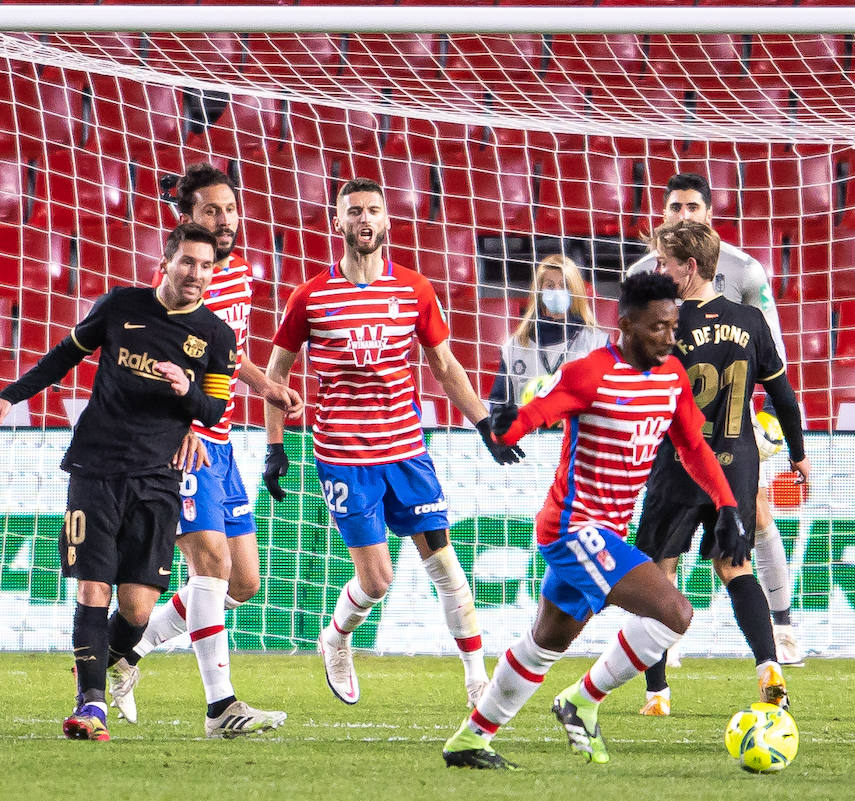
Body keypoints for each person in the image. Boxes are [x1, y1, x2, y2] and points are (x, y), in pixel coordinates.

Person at [441, 272, 749, 770]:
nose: (670, 338)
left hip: (607, 530)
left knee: (548, 641)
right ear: (625, 324)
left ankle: (469, 740)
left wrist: (728, 505)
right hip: (574, 526)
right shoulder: (590, 373)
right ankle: (582, 702)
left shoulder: (672, 379)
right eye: (658, 329)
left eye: (673, 327)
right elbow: (541, 410)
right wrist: (505, 427)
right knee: (675, 613)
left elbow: (693, 447)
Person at [263, 177, 523, 710]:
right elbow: (276, 373)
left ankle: (477, 678)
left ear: (387, 222)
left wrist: (483, 425)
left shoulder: (414, 289)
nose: (364, 218)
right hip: (344, 458)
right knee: (377, 581)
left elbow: (446, 367)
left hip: (406, 450)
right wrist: (275, 447)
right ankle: (335, 638)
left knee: (446, 568)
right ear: (338, 222)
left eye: (374, 210)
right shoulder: (310, 296)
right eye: (354, 210)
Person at [0, 224, 236, 741]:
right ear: (168, 261)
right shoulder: (120, 305)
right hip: (96, 467)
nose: (196, 274)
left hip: (158, 479)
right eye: (188, 262)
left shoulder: (217, 336)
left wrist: (186, 392)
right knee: (91, 588)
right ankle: (91, 705)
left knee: (136, 608)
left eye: (205, 266)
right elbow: (65, 354)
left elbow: (216, 411)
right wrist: (11, 395)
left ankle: (107, 663)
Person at [106, 164, 302, 737]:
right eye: (211, 211)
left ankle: (128, 651)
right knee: (210, 563)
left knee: (243, 582)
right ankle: (222, 708)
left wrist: (263, 383)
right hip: (182, 441)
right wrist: (191, 419)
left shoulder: (237, 272)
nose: (224, 221)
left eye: (230, 210)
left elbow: (222, 351)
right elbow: (174, 352)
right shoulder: (183, 277)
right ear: (186, 218)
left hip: (221, 444)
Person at [626, 172, 803, 669]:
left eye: (692, 207)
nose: (684, 215)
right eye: (675, 207)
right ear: (664, 213)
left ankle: (784, 624)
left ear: (708, 213)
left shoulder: (746, 271)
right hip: (688, 425)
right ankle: (673, 636)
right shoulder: (644, 272)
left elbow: (773, 348)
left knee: (754, 514)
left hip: (737, 410)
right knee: (700, 548)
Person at [488, 254, 608, 408]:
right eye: (550, 286)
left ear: (574, 291)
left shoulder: (596, 342)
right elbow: (498, 405)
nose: (557, 291)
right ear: (539, 291)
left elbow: (609, 398)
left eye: (563, 286)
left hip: (578, 430)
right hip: (529, 430)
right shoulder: (514, 346)